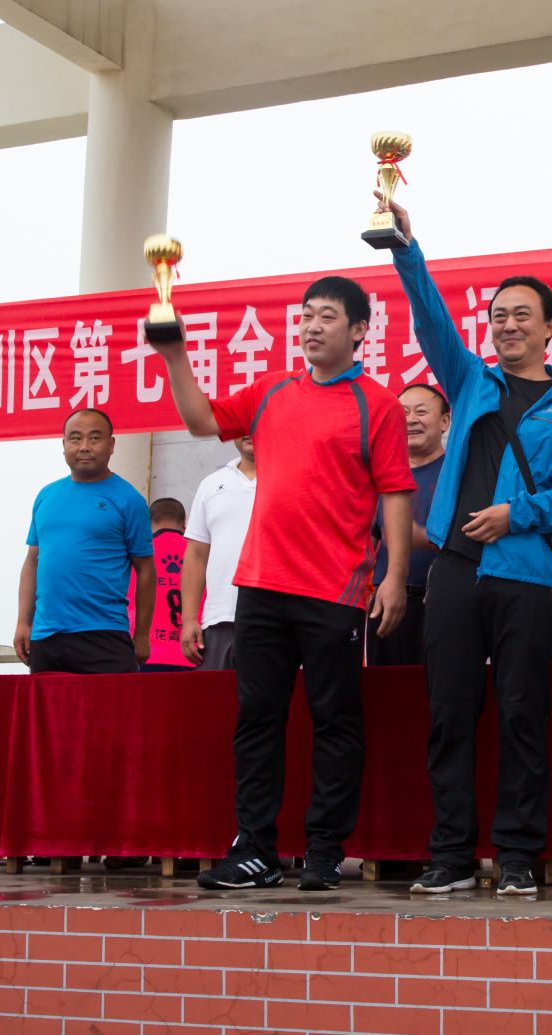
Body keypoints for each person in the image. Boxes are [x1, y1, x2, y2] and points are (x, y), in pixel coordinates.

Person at [152, 276, 415, 892]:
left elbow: (396, 495)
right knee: (257, 718)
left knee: (334, 719)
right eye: (306, 316)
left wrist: (395, 576)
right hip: (261, 584)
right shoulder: (271, 391)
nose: (312, 326)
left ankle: (324, 849)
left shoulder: (377, 405)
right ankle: (255, 850)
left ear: (359, 330)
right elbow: (201, 420)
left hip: (335, 589)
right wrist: (174, 354)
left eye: (327, 317)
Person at [386, 198, 552, 898]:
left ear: (550, 327)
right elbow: (429, 318)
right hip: (453, 572)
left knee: (521, 714)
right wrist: (406, 250)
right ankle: (450, 853)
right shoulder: (471, 379)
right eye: (498, 315)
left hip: (525, 574)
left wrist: (517, 515)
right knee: (449, 713)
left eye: (522, 315)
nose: (507, 325)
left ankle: (517, 854)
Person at [14, 409, 154, 674]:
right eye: (75, 439)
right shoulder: (46, 496)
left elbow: (146, 569)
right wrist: (23, 622)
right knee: (47, 704)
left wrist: (142, 634)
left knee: (114, 703)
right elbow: (32, 562)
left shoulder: (128, 499)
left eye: (95, 438)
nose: (84, 447)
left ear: (111, 445)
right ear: (64, 444)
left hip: (105, 633)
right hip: (47, 637)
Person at [367, 383, 450, 665]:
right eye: (403, 413)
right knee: (388, 687)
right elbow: (367, 542)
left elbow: (472, 540)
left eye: (421, 412)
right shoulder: (378, 476)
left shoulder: (459, 474)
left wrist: (419, 537)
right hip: (386, 602)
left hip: (443, 604)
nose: (411, 420)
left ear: (445, 422)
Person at [181, 437, 258, 671]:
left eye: (255, 423)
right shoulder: (211, 484)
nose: (249, 432)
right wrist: (189, 619)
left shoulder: (293, 479)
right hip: (219, 619)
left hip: (279, 621)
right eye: (242, 424)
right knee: (216, 694)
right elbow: (197, 555)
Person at [131, 497, 193, 672]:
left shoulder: (139, 554)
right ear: (184, 523)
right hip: (191, 654)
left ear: (148, 522)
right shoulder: (198, 554)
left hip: (146, 653)